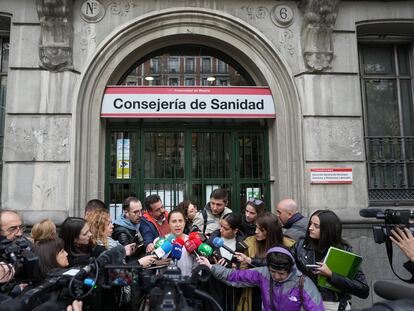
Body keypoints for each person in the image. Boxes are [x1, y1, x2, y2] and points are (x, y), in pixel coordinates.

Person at [197, 246, 325, 311]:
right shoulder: (262, 273)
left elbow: (316, 308)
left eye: (281, 274)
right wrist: (211, 267)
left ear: (290, 268)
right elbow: (234, 276)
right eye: (273, 272)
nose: (276, 276)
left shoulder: (302, 282)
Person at [292, 210, 369, 311]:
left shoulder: (344, 251)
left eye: (316, 226)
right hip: (306, 302)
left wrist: (331, 275)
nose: (310, 228)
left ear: (328, 229)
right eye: (310, 223)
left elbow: (363, 290)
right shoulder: (301, 245)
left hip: (332, 305)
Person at [234, 212, 295, 310]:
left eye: (261, 229)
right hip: (254, 293)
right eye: (256, 227)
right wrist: (236, 267)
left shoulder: (288, 246)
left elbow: (281, 267)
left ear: (270, 231)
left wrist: (251, 260)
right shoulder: (250, 243)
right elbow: (242, 271)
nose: (256, 232)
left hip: (280, 293)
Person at [206, 212, 245, 311]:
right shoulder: (212, 241)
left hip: (233, 289)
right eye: (221, 226)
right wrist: (212, 262)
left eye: (226, 228)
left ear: (235, 230)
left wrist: (231, 265)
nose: (221, 230)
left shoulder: (243, 244)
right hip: (214, 287)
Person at [165, 209, 195, 276]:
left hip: (188, 283)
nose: (177, 225)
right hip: (167, 284)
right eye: (174, 221)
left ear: (184, 223)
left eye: (180, 221)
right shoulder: (161, 242)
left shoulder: (191, 242)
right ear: (168, 224)